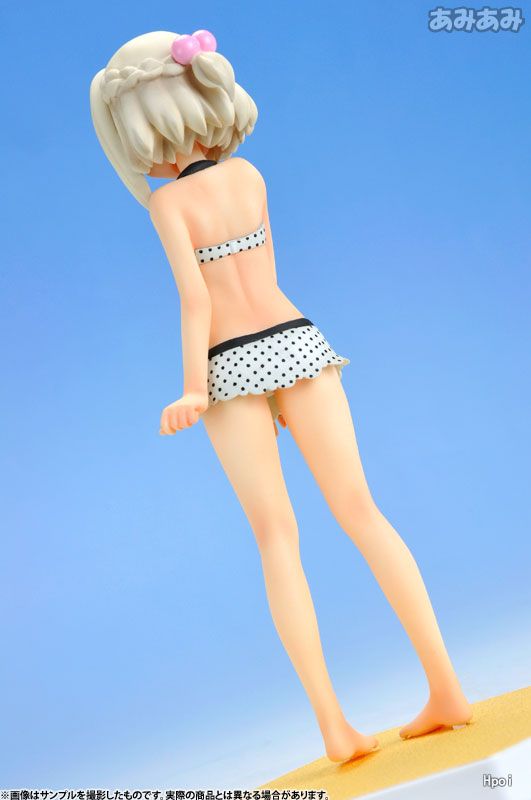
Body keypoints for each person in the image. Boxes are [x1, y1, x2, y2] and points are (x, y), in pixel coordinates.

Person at [90, 29, 473, 763]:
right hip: (299, 342)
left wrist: (192, 390)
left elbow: (197, 302)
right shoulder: (250, 176)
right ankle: (446, 687)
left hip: (229, 366)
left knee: (276, 539)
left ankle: (335, 727)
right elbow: (263, 274)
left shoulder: (169, 205)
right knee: (363, 513)